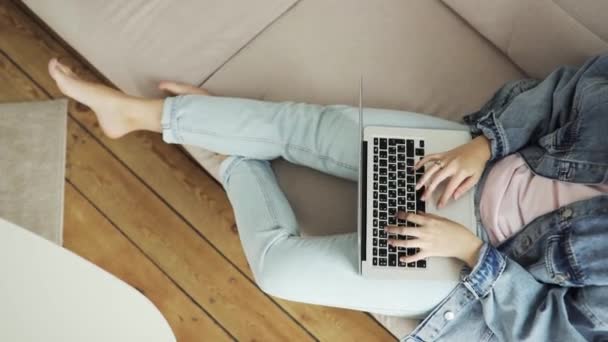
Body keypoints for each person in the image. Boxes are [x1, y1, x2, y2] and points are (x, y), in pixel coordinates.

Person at [49, 55, 608, 341]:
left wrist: (470, 253)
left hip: (475, 261)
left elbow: (554, 330)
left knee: (279, 269)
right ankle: (138, 114)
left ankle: (229, 149)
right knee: (311, 128)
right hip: (469, 162)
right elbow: (569, 90)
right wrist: (484, 145)